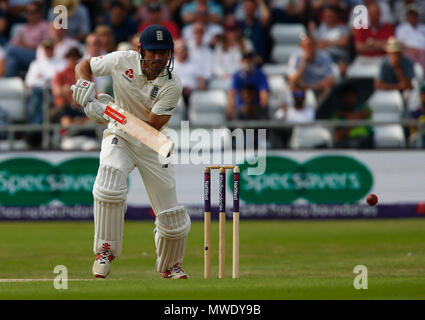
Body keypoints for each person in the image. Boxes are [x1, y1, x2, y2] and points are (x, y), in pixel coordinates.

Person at [72, 25, 190, 279]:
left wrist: (107, 111)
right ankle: (105, 251)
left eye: (163, 53)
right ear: (141, 51)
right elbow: (84, 65)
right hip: (120, 136)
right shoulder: (121, 60)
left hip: (152, 141)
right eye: (153, 52)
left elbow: (149, 127)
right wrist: (84, 85)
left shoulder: (173, 84)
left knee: (172, 217)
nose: (158, 59)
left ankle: (171, 265)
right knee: (108, 183)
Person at [4, 1, 49, 77]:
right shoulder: (24, 28)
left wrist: (26, 46)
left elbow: (47, 47)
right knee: (12, 60)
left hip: (37, 56)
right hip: (23, 58)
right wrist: (20, 46)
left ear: (39, 13)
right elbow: (12, 44)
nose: (30, 15)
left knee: (10, 50)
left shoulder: (45, 26)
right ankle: (6, 86)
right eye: (27, 12)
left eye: (33, 12)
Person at [287, 34, 336, 102]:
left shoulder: (324, 56)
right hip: (302, 89)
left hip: (319, 88)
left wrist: (316, 87)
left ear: (315, 45)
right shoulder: (296, 57)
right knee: (293, 86)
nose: (309, 48)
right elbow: (292, 80)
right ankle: (298, 109)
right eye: (307, 46)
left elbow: (331, 79)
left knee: (329, 88)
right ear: (301, 47)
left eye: (312, 45)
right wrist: (304, 64)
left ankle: (322, 110)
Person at [227, 52, 269, 120]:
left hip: (256, 109)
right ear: (242, 61)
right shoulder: (237, 76)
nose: (248, 63)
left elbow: (264, 95)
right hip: (240, 110)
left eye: (250, 60)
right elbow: (232, 93)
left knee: (262, 123)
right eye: (246, 60)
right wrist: (231, 108)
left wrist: (262, 109)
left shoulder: (260, 75)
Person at [312, 5, 350, 77]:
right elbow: (315, 44)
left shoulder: (343, 28)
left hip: (338, 58)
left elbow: (344, 42)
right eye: (325, 16)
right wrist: (335, 42)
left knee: (342, 70)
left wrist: (326, 43)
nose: (327, 18)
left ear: (336, 16)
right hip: (322, 57)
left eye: (330, 16)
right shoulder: (319, 29)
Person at [332, 84, 374, 149]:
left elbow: (363, 114)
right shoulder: (337, 115)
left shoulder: (364, 109)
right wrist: (351, 125)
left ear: (356, 97)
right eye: (347, 97)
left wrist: (346, 116)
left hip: (365, 140)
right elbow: (337, 136)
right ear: (342, 99)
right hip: (347, 142)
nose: (349, 99)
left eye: (352, 96)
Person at [395, 4, 425, 70]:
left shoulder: (423, 27)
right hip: (408, 52)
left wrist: (419, 51)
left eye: (414, 15)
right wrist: (410, 49)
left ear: (418, 16)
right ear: (407, 16)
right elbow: (399, 44)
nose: (413, 17)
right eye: (411, 15)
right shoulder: (401, 28)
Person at [408, 83, 425, 147]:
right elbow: (411, 127)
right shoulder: (415, 112)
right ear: (420, 95)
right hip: (419, 138)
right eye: (423, 94)